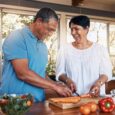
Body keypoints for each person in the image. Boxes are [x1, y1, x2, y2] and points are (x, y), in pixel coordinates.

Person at [0, 7, 72, 102]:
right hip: (14, 104)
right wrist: (54, 86)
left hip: (37, 102)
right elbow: (23, 73)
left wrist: (56, 84)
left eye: (53, 31)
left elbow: (40, 73)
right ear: (39, 21)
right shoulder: (17, 37)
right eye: (49, 29)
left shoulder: (43, 46)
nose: (50, 34)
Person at [56, 15, 112, 97]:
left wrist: (98, 84)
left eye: (76, 29)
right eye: (71, 29)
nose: (73, 33)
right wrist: (68, 80)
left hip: (95, 97)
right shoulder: (64, 49)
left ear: (86, 29)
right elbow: (60, 73)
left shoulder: (100, 49)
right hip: (73, 97)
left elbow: (106, 73)